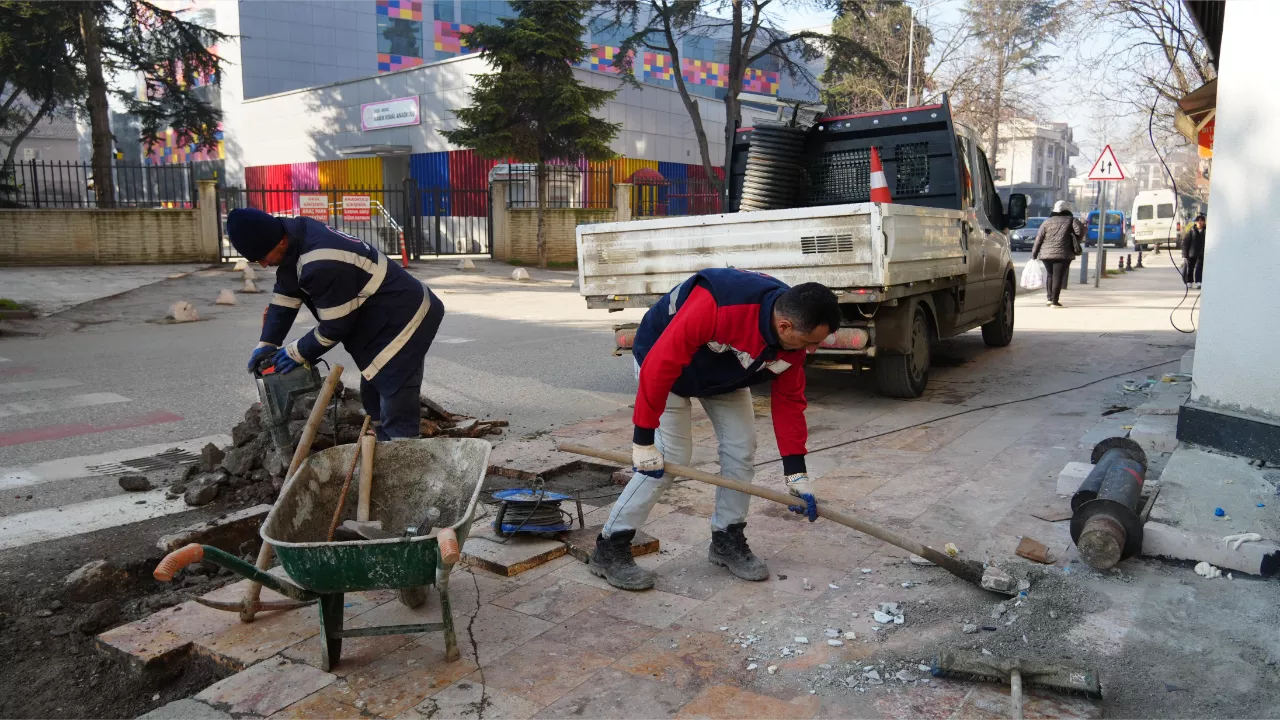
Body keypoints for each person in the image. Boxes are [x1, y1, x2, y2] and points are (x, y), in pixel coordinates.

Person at [589, 268, 842, 591]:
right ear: (784, 326)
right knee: (669, 458)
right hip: (662, 365)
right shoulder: (718, 305)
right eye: (811, 342)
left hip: (725, 375)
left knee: (741, 448)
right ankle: (610, 548)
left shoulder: (792, 342)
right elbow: (660, 365)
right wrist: (643, 440)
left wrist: (797, 475)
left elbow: (790, 402)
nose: (813, 350)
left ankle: (727, 539)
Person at [227, 207, 444, 441]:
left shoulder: (321, 261)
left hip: (406, 316)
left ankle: (403, 455)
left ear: (279, 241)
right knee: (373, 389)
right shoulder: (295, 235)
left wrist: (296, 353)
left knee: (394, 388)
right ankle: (383, 446)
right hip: (378, 317)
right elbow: (285, 295)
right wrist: (267, 341)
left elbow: (333, 328)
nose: (262, 264)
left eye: (262, 256)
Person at [1031, 200, 1085, 308]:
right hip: (1063, 254)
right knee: (1058, 276)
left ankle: (1049, 299)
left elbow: (1039, 238)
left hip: (1046, 254)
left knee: (1050, 275)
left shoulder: (1047, 222)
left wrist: (1034, 254)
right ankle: (1055, 301)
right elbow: (1080, 232)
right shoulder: (1071, 220)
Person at [1182, 213, 1206, 289]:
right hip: (1191, 253)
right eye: (1198, 221)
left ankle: (1199, 281)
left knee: (1199, 267)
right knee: (1190, 268)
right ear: (1195, 222)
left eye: (1202, 220)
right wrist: (1185, 255)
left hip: (1201, 253)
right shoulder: (1191, 231)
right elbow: (1185, 244)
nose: (1200, 222)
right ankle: (1189, 281)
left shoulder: (1206, 232)